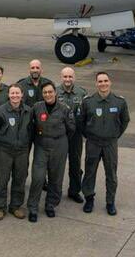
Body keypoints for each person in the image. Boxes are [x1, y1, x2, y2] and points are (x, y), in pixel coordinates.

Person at [78, 72, 130, 216]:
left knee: (111, 174)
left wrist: (115, 135)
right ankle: (89, 198)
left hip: (110, 144)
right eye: (100, 81)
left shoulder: (119, 102)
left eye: (105, 81)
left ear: (110, 82)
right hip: (93, 142)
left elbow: (125, 120)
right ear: (96, 84)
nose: (103, 84)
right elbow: (80, 121)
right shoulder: (88, 101)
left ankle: (110, 202)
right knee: (89, 172)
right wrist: (88, 135)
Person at [26, 83, 75, 222]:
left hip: (59, 145)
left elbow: (71, 129)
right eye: (45, 92)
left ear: (55, 93)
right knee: (38, 177)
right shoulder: (37, 107)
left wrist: (60, 139)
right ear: (42, 94)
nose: (48, 94)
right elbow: (31, 125)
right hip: (41, 145)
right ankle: (33, 208)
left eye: (50, 92)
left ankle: (50, 205)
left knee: (56, 177)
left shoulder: (65, 109)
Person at [0, 84, 34, 220]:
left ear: (22, 95)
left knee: (20, 179)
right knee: (2, 180)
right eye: (12, 93)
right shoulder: (0, 111)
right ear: (8, 95)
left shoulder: (29, 111)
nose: (15, 96)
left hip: (22, 151)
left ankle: (15, 206)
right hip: (4, 150)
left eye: (17, 93)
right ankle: (0, 207)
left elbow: (31, 130)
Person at [56, 67, 88, 203]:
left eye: (70, 77)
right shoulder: (55, 92)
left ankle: (74, 191)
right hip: (60, 134)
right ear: (61, 77)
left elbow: (87, 113)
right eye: (65, 77)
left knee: (75, 163)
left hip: (76, 135)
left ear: (74, 77)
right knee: (57, 164)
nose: (67, 79)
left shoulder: (82, 92)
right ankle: (55, 191)